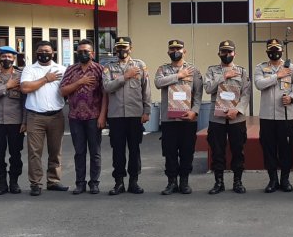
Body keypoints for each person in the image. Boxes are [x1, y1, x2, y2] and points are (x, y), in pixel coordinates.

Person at [102, 37, 151, 195]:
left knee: (134, 149)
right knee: (118, 150)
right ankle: (119, 182)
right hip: (116, 116)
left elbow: (146, 90)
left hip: (135, 115)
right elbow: (107, 87)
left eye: (125, 47)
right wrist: (125, 76)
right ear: (115, 49)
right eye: (119, 47)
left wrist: (147, 111)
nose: (122, 50)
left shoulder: (140, 65)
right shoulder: (108, 67)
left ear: (131, 48)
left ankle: (134, 182)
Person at [254, 38, 293, 193]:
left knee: (286, 148)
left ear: (282, 51)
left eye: (277, 49)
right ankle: (273, 180)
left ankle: (285, 179)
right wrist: (277, 75)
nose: (274, 52)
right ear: (267, 51)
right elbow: (259, 84)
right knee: (268, 148)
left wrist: (292, 98)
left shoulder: (291, 68)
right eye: (271, 50)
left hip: (285, 116)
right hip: (267, 116)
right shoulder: (260, 67)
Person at [155, 39, 203, 195]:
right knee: (169, 152)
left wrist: (194, 111)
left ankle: (184, 182)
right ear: (168, 51)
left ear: (184, 51)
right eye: (172, 49)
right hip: (169, 119)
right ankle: (171, 182)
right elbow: (158, 83)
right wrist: (178, 75)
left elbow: (198, 94)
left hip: (188, 118)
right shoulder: (163, 69)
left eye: (178, 49)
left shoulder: (194, 70)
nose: (175, 51)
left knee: (187, 152)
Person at [20, 41, 68, 196]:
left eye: (47, 51)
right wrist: (46, 79)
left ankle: (53, 181)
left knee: (56, 151)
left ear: (53, 53)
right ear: (36, 53)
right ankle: (36, 183)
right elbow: (25, 88)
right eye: (41, 51)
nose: (44, 53)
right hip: (35, 116)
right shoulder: (29, 69)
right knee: (34, 152)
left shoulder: (61, 69)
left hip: (56, 116)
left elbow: (66, 90)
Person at [60, 39, 107, 195]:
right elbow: (63, 91)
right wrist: (80, 82)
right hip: (75, 118)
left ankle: (94, 183)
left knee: (95, 152)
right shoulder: (71, 70)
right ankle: (80, 183)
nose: (83, 54)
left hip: (94, 117)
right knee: (79, 152)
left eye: (86, 51)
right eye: (80, 51)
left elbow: (105, 94)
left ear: (92, 53)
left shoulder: (100, 70)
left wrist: (102, 116)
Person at [204, 40, 251, 194]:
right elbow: (208, 88)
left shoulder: (242, 71)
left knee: (238, 150)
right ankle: (219, 182)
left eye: (229, 52)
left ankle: (238, 182)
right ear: (219, 53)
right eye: (223, 51)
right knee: (217, 151)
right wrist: (224, 76)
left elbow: (246, 94)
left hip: (236, 118)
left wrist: (237, 110)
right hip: (216, 118)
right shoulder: (212, 71)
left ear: (234, 54)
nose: (227, 54)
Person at [0, 45, 25, 195]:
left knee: (16, 154)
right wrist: (7, 86)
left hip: (16, 121)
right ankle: (1, 183)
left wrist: (25, 121)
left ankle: (14, 182)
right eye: (3, 56)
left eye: (9, 57)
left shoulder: (21, 76)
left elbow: (26, 100)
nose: (6, 59)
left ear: (14, 59)